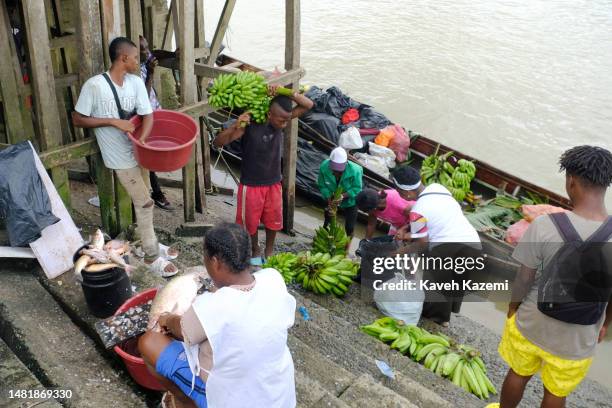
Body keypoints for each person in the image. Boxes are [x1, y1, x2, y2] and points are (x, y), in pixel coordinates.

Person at [488, 146, 612, 408]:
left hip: (533, 322)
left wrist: (512, 308)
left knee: (518, 374)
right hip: (578, 336)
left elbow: (524, 278)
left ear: (571, 181)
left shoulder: (546, 225)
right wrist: (605, 324)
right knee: (556, 392)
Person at [138, 223, 297, 408]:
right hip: (280, 399)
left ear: (215, 262)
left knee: (148, 342)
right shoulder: (273, 279)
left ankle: (185, 402)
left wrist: (166, 318)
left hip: (232, 402)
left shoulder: (212, 306)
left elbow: (181, 329)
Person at [72, 37, 178, 277]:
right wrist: (111, 121)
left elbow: (147, 115)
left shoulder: (136, 82)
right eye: (135, 57)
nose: (138, 60)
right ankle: (151, 255)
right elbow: (77, 118)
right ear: (123, 58)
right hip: (119, 157)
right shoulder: (95, 85)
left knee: (147, 197)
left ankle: (146, 239)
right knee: (145, 202)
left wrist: (143, 141)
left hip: (139, 152)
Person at [213, 88, 313, 265]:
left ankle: (269, 249)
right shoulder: (248, 125)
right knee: (249, 223)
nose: (284, 124)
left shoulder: (281, 121)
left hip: (273, 182)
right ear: (269, 114)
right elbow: (218, 142)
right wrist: (236, 125)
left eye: (286, 120)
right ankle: (255, 248)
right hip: (251, 185)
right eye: (281, 120)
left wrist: (285, 92)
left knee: (273, 221)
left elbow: (308, 104)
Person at [392, 165, 481, 326]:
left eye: (399, 192)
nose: (399, 195)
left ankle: (436, 322)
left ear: (407, 193)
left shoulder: (418, 210)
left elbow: (421, 245)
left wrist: (398, 252)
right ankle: (448, 313)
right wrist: (407, 228)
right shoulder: (437, 188)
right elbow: (435, 216)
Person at [139, 35, 174, 211]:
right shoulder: (134, 71)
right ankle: (157, 193)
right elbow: (143, 99)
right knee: (148, 156)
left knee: (155, 151)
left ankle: (155, 190)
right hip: (144, 118)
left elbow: (155, 54)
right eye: (142, 50)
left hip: (155, 113)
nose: (147, 52)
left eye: (147, 48)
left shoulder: (147, 58)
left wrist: (173, 54)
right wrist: (151, 72)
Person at [316, 147, 363, 238]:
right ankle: (325, 240)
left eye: (339, 172)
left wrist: (343, 196)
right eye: (334, 171)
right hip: (332, 198)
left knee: (349, 227)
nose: (336, 174)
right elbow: (322, 185)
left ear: (346, 163)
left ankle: (347, 247)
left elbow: (357, 188)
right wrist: (329, 198)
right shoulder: (324, 166)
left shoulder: (356, 170)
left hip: (350, 201)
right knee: (327, 222)